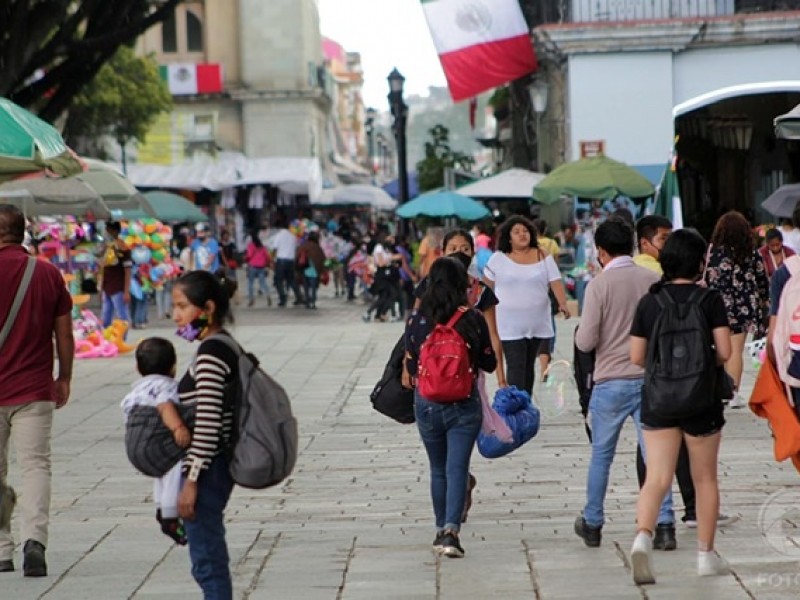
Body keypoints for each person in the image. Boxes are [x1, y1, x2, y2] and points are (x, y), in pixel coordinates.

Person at [629, 229, 732, 584]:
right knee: (704, 478)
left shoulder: (650, 301)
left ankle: (643, 536)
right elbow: (726, 353)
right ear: (700, 262)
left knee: (656, 477)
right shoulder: (710, 300)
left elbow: (637, 356)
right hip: (701, 399)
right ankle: (705, 555)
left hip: (659, 398)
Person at [573, 219, 675, 549]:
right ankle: (665, 524)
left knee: (602, 455)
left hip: (610, 381)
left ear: (601, 251)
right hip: (649, 379)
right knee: (655, 456)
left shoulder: (598, 286)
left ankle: (593, 522)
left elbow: (586, 341)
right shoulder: (653, 279)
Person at [405, 257, 497, 558]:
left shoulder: (418, 320)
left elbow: (410, 363)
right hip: (463, 402)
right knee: (457, 468)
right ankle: (450, 531)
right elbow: (489, 363)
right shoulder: (471, 318)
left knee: (437, 469)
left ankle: (438, 528)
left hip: (427, 402)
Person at [0, 204, 74, 577]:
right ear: (22, 232)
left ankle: (1, 550)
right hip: (34, 389)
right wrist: (64, 377)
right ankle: (35, 541)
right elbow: (64, 333)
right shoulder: (47, 274)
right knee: (36, 466)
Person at [172, 270, 238, 598]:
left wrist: (191, 480)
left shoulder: (212, 352)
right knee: (208, 557)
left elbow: (209, 422)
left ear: (207, 307)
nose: (175, 315)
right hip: (214, 465)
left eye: (182, 306)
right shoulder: (218, 345)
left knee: (208, 561)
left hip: (209, 468)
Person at [483, 216, 569, 396]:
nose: (522, 234)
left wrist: (562, 303)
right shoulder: (498, 259)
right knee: (516, 365)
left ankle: (525, 404)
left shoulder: (542, 254)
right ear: (508, 237)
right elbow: (486, 289)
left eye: (525, 231)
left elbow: (555, 281)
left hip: (537, 323)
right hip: (509, 325)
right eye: (516, 232)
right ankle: (516, 409)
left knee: (528, 366)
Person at [121, 338, 190, 545]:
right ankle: (169, 514)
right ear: (173, 367)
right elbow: (164, 405)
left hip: (134, 448)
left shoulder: (136, 390)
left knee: (163, 468)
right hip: (153, 443)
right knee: (176, 465)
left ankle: (161, 507)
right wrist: (178, 427)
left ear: (137, 367)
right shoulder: (167, 386)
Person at [704, 211, 769, 408]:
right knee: (735, 352)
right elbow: (762, 281)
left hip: (716, 306)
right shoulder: (751, 253)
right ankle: (732, 393)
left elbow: (705, 277)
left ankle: (717, 390)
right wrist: (764, 302)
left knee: (718, 351)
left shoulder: (712, 252)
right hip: (743, 309)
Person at [98, 220, 132, 328]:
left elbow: (128, 270)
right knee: (105, 317)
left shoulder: (123, 248)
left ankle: (122, 339)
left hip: (118, 287)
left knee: (122, 316)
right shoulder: (105, 247)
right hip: (106, 287)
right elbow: (102, 267)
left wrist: (126, 291)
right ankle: (106, 340)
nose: (106, 233)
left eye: (108, 230)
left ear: (115, 231)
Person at [268, 219, 303, 307]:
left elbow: (274, 249)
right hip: (291, 261)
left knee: (278, 280)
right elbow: (296, 248)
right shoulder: (293, 236)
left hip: (281, 260)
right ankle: (299, 297)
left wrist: (272, 260)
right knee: (291, 280)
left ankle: (283, 299)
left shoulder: (279, 235)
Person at [297, 231, 327, 309]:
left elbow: (297, 257)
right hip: (314, 270)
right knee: (314, 287)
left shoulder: (303, 245)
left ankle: (307, 301)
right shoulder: (318, 248)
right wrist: (323, 271)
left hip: (304, 268)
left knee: (306, 286)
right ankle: (313, 302)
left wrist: (296, 269)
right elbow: (323, 259)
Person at [244, 231, 272, 307]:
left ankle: (251, 300)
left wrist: (246, 259)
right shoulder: (263, 247)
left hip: (252, 266)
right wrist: (267, 264)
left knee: (250, 283)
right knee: (263, 283)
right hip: (261, 267)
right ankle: (268, 296)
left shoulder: (251, 245)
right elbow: (267, 257)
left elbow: (249, 256)